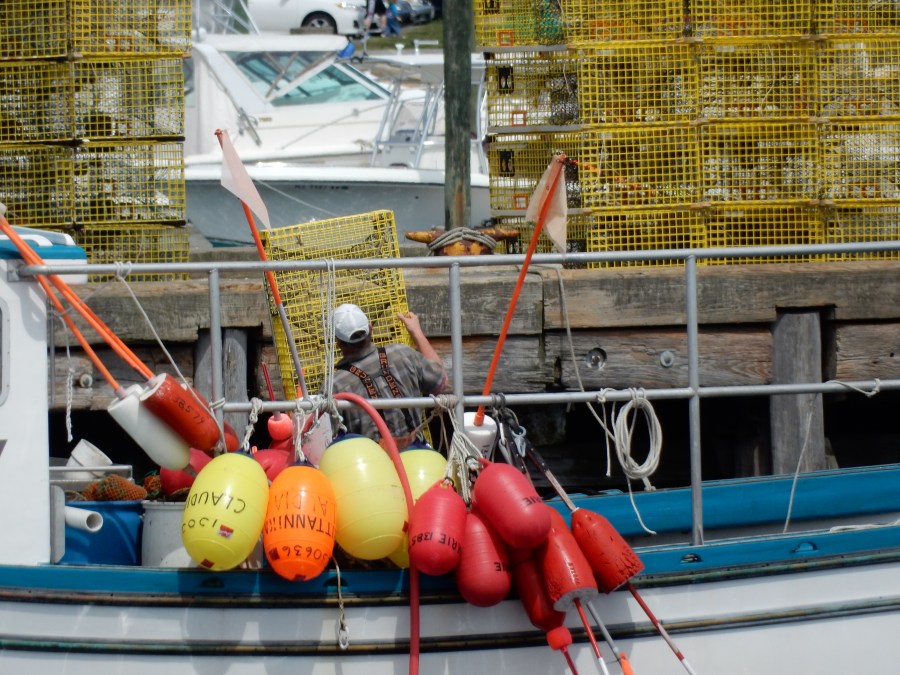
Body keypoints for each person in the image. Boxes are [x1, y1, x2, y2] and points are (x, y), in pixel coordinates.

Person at [330, 303, 446, 449]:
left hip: (370, 462)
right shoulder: (403, 354)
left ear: (337, 341)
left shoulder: (335, 385)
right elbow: (440, 381)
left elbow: (327, 439)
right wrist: (417, 332)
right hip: (417, 456)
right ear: (370, 328)